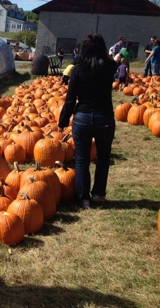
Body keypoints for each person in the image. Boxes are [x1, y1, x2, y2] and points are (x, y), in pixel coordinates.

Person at [57, 33, 117, 210]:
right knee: (103, 158)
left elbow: (70, 100)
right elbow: (112, 61)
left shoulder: (77, 70)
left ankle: (83, 198)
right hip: (104, 118)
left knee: (82, 160)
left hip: (82, 118)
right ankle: (98, 194)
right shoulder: (109, 66)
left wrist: (62, 121)